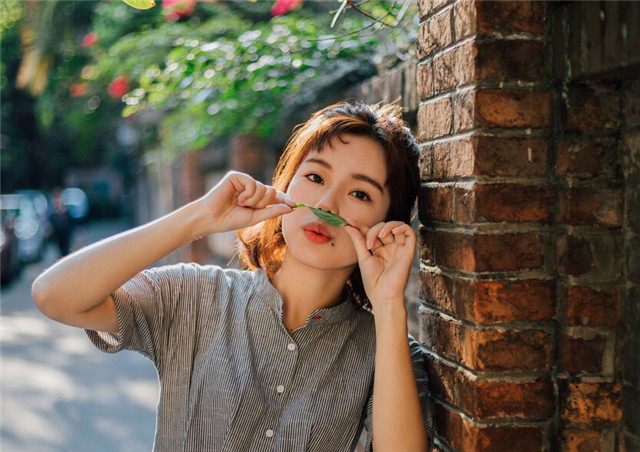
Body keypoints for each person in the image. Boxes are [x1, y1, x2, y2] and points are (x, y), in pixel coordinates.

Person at [32, 101, 431, 451]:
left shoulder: (389, 349)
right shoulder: (195, 296)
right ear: (286, 185)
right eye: (315, 177)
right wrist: (200, 218)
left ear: (387, 223)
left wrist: (389, 305)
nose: (326, 203)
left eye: (360, 194)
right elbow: (54, 294)